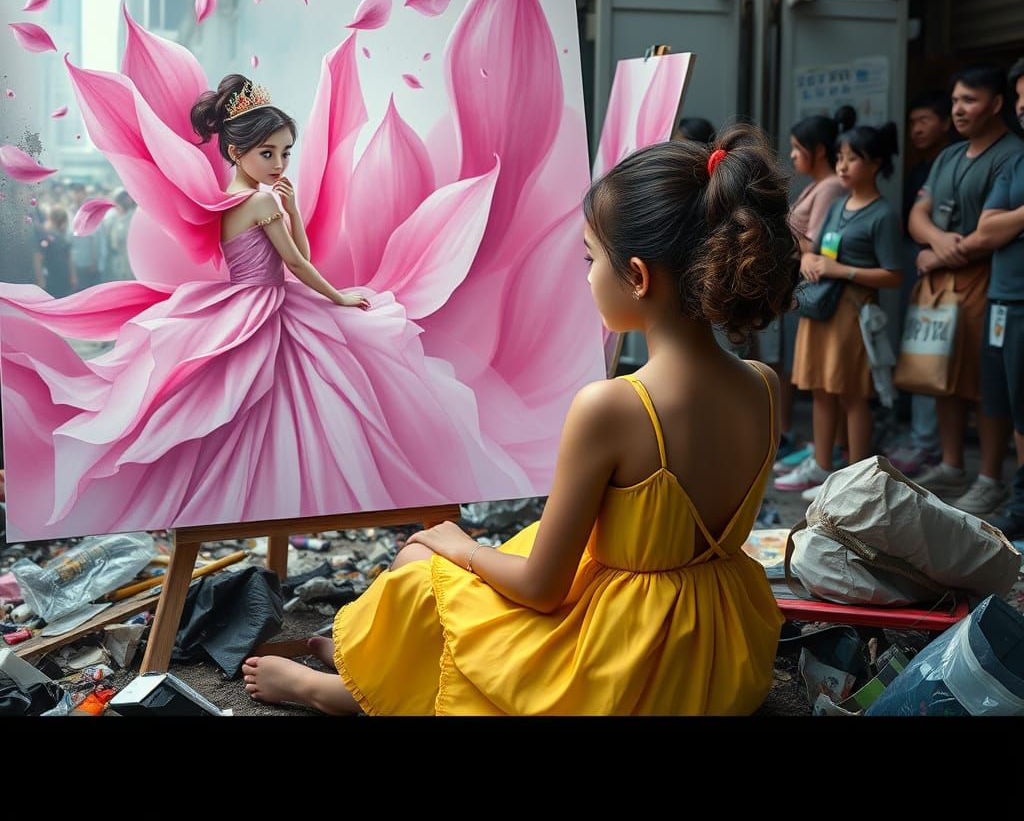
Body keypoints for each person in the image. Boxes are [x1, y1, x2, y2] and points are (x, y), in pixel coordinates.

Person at [241, 126, 800, 715]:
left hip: (624, 665)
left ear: (637, 276)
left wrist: (462, 546)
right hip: (717, 652)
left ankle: (340, 692)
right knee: (466, 560)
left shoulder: (612, 407)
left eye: (590, 259)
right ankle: (370, 664)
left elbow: (541, 588)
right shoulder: (763, 386)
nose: (586, 276)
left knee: (421, 564)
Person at [0, 75, 532, 537]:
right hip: (268, 303)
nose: (278, 164)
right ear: (237, 153)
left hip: (242, 302)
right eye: (267, 153)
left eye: (284, 153)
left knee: (258, 408)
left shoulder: (231, 202)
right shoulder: (258, 200)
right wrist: (339, 296)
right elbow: (298, 262)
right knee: (306, 400)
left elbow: (294, 254)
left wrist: (292, 208)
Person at [909, 65, 1024, 514]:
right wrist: (937, 241)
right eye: (955, 100)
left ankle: (990, 477)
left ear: (996, 104)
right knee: (941, 375)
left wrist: (938, 254)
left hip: (984, 278)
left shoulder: (1012, 153)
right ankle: (952, 465)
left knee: (984, 383)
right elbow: (918, 213)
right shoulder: (949, 155)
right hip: (941, 282)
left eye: (969, 101)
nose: (958, 110)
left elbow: (992, 231)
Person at [781, 121, 904, 496]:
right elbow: (815, 249)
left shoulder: (883, 214)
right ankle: (822, 467)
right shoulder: (837, 205)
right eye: (840, 157)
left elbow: (894, 276)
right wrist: (808, 260)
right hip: (822, 308)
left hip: (852, 312)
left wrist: (841, 270)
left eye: (853, 158)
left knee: (852, 394)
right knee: (820, 389)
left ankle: (855, 479)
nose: (843, 165)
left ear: (876, 164)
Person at [764, 108, 850, 462]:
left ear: (819, 151)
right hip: (802, 284)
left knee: (819, 378)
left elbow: (816, 244)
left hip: (816, 288)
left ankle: (827, 449)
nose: (793, 156)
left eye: (798, 149)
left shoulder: (830, 187)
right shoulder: (819, 186)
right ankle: (819, 447)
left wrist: (778, 235)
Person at [885, 90, 958, 476]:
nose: (916, 129)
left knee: (936, 355)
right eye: (913, 122)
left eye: (925, 120)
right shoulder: (923, 168)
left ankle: (931, 445)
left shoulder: (952, 163)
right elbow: (914, 219)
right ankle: (923, 439)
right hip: (922, 264)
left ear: (945, 124)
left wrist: (936, 248)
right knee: (921, 350)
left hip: (950, 269)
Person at [976, 57, 1024, 537]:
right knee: (1007, 401)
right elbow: (988, 228)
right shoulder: (1017, 162)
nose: (1022, 108)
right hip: (1005, 300)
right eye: (1021, 99)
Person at [34, 206, 76, 299]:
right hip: (54, 280)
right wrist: (41, 280)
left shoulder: (60, 237)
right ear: (62, 223)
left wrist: (73, 276)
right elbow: (38, 257)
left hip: (61, 280)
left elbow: (68, 257)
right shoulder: (47, 237)